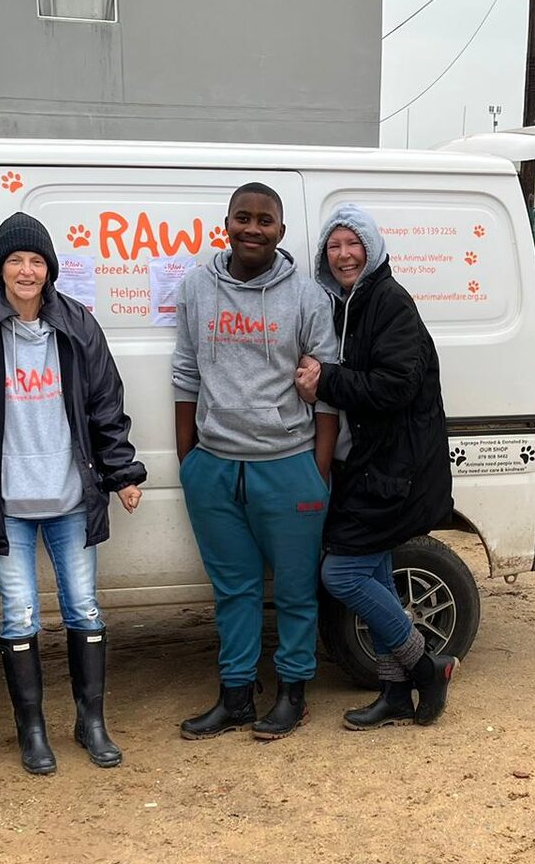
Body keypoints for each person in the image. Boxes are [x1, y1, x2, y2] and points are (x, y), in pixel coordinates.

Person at [0, 213, 146, 775]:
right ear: (0, 267)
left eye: (36, 261)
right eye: (15, 260)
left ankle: (90, 722)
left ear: (49, 268)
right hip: (7, 505)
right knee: (19, 615)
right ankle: (31, 731)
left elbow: (105, 405)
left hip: (69, 498)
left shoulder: (77, 324)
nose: (26, 271)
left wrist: (122, 472)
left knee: (84, 607)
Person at [172, 182, 339, 741]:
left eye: (264, 220)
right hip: (215, 468)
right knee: (234, 591)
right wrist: (188, 462)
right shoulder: (197, 286)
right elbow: (186, 373)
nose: (252, 228)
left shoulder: (308, 296)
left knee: (294, 589)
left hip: (287, 465)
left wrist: (317, 469)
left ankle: (293, 693)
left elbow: (328, 386)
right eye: (242, 218)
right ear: (225, 223)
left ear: (281, 232)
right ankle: (236, 695)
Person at [295, 204, 457, 729]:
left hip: (391, 470)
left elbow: (394, 387)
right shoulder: (346, 304)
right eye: (334, 246)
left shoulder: (389, 302)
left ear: (372, 247)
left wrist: (327, 383)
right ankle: (393, 693)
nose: (343, 254)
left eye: (352, 243)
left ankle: (424, 666)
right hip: (364, 463)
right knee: (378, 574)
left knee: (341, 573)